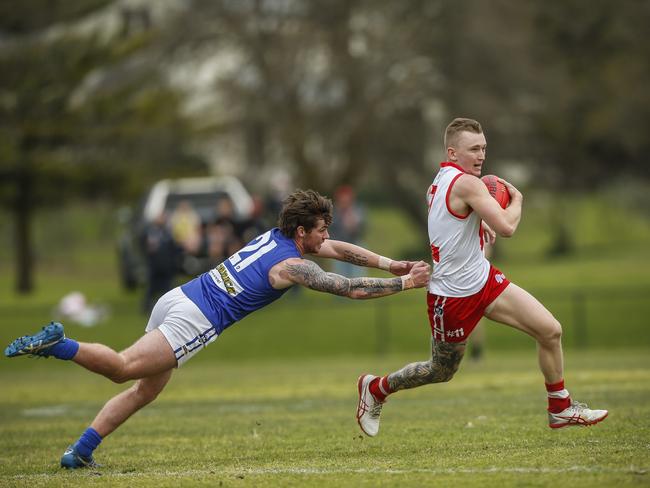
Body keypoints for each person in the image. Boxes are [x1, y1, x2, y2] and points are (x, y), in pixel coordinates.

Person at [4, 189, 431, 469]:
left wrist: (390, 263)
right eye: (322, 229)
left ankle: (80, 453)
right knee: (122, 368)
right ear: (302, 232)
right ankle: (61, 344)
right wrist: (404, 283)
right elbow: (348, 289)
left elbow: (337, 250)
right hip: (196, 319)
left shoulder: (277, 237)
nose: (328, 235)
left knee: (146, 391)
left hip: (179, 297)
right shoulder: (292, 264)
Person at [356, 118, 608, 437]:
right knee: (441, 371)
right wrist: (516, 201)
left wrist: (476, 220)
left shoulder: (440, 179)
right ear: (453, 151)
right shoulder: (467, 184)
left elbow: (446, 213)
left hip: (485, 281)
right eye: (474, 149)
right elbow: (508, 228)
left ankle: (560, 408)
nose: (481, 156)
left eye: (484, 148)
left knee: (550, 330)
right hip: (451, 297)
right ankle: (376, 388)